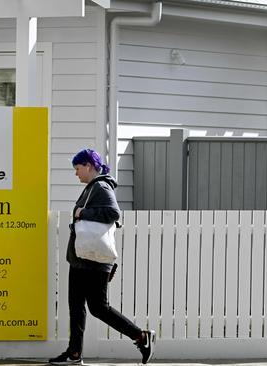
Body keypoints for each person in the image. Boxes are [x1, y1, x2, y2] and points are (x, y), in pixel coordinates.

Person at [49, 148, 156, 365]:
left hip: (94, 260)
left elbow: (114, 213)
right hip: (82, 258)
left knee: (98, 308)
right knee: (76, 306)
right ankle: (74, 353)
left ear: (88, 165)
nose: (76, 173)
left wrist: (82, 213)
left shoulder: (101, 186)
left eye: (77, 169)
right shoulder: (92, 187)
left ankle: (142, 337)